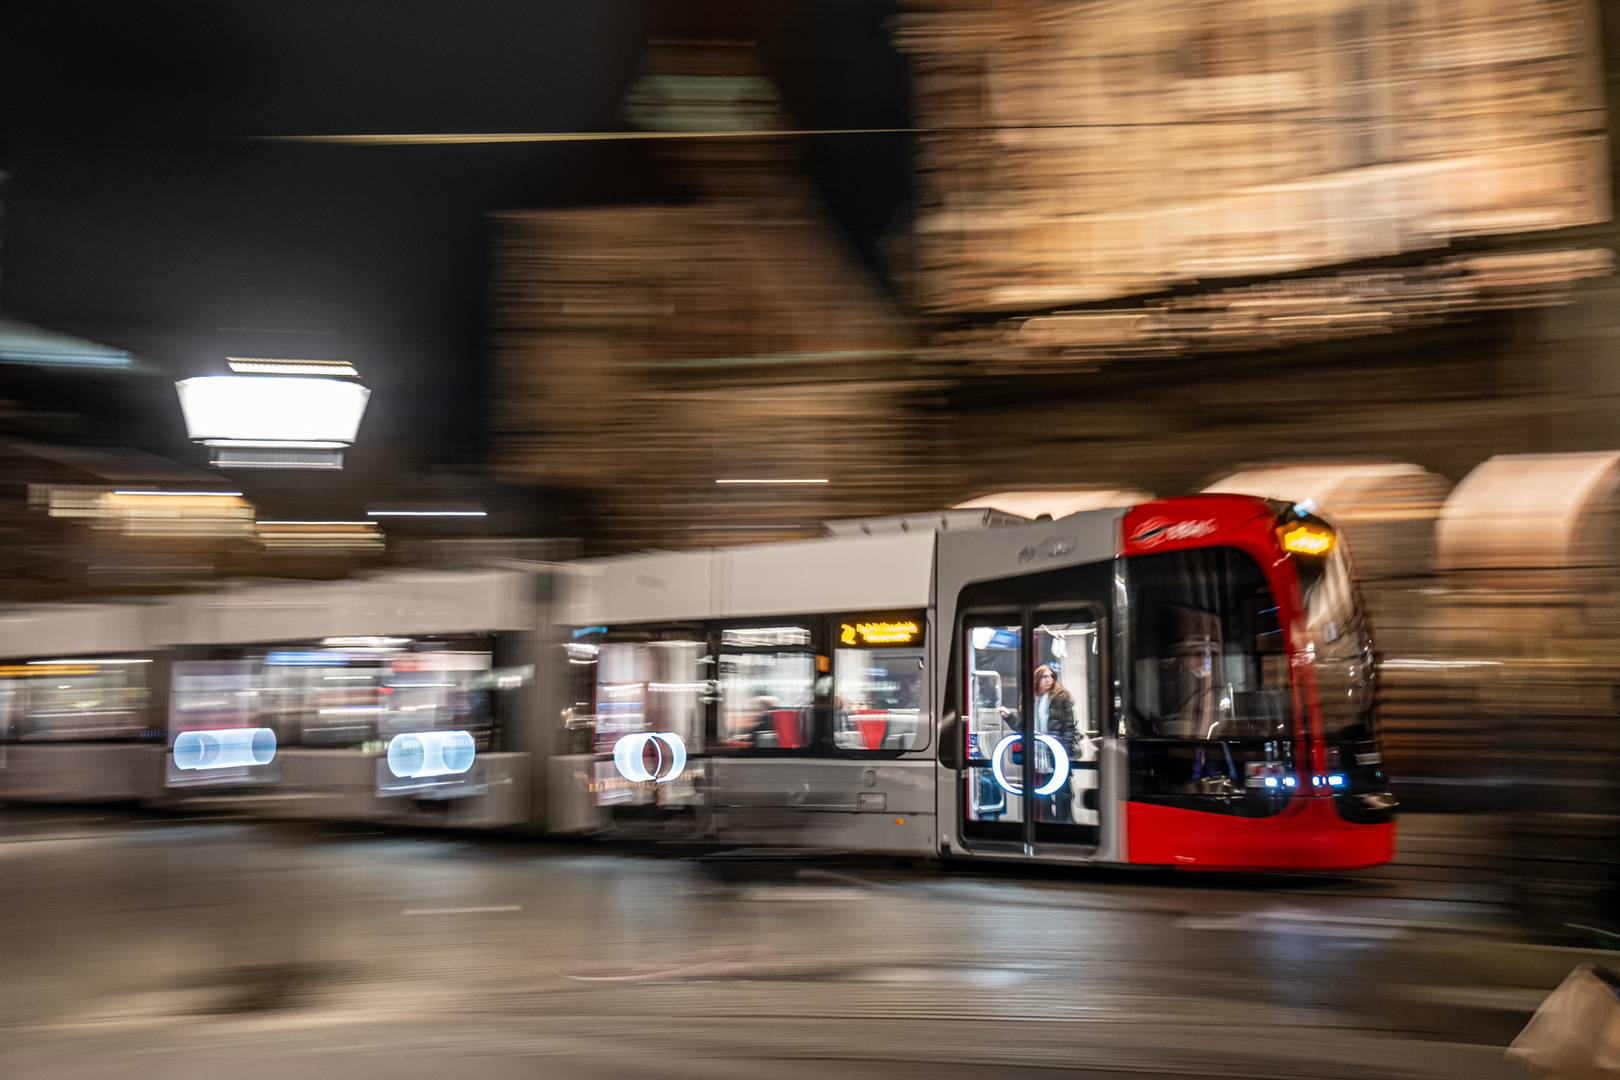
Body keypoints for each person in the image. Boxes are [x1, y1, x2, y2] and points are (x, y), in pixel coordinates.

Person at [1033, 664, 1076, 823]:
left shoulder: (1060, 698)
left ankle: (1065, 825)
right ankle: (1048, 825)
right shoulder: (1032, 699)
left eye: (1051, 676)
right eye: (1045, 676)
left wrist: (1067, 751)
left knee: (1063, 793)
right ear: (1037, 679)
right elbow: (1024, 726)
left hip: (1057, 751)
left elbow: (1069, 727)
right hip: (1039, 755)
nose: (1049, 680)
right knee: (1043, 795)